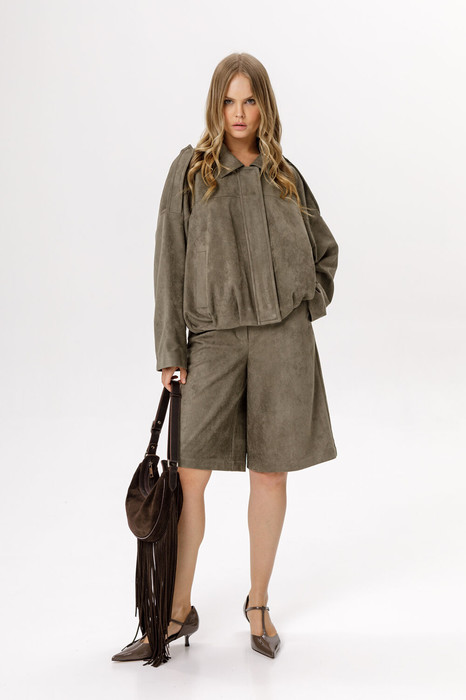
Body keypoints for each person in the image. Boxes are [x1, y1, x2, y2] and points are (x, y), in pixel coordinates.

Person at [113, 52, 339, 662]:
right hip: (211, 341)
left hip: (282, 342)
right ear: (217, 105)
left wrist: (308, 302)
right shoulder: (191, 171)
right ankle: (175, 611)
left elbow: (325, 249)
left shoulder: (284, 174)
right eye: (229, 100)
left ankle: (258, 604)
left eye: (250, 100)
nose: (239, 113)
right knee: (190, 476)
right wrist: (170, 347)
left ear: (265, 106)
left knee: (271, 472)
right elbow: (169, 260)